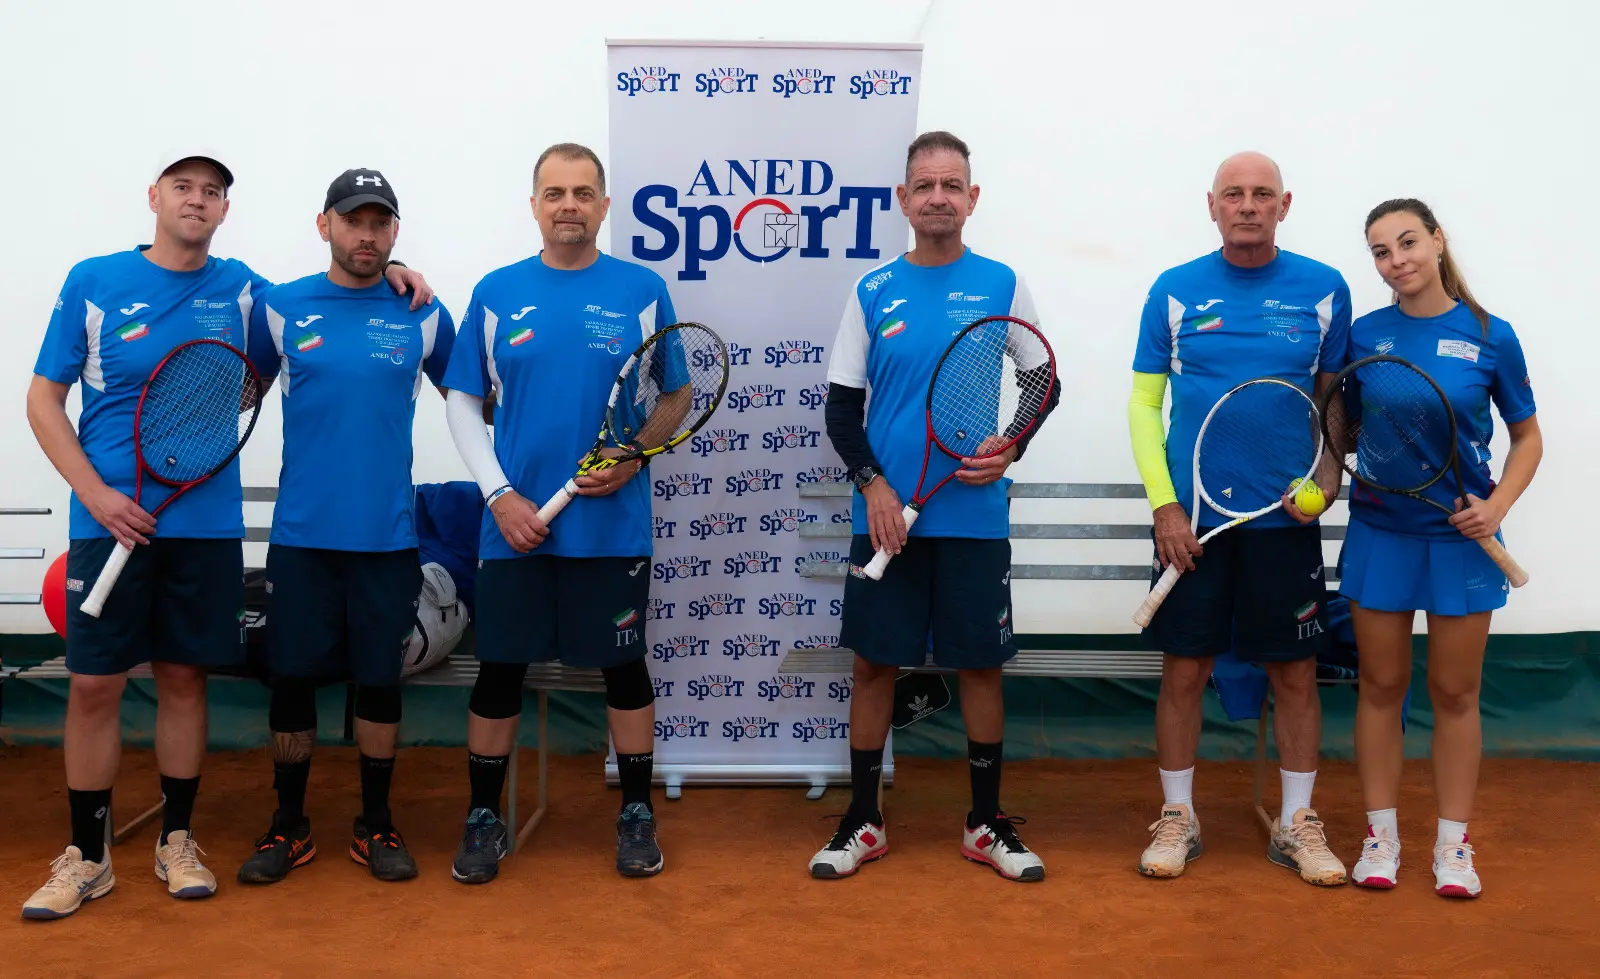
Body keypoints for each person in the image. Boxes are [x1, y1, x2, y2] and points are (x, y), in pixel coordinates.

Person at [22, 152, 432, 919]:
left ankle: (177, 841)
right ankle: (86, 855)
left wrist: (398, 266)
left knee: (183, 681)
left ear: (224, 210)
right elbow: (43, 400)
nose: (197, 200)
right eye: (183, 187)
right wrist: (96, 494)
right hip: (107, 521)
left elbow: (338, 292)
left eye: (212, 191)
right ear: (153, 196)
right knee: (92, 686)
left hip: (203, 529)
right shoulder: (94, 280)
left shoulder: (245, 292)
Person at [810, 131, 1059, 882]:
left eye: (953, 184)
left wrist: (1011, 443)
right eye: (925, 185)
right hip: (884, 521)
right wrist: (873, 487)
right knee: (873, 666)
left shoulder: (1004, 283)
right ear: (904, 200)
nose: (939, 196)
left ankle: (985, 822)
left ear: (972, 198)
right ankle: (863, 820)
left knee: (982, 667)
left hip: (974, 520)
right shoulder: (872, 290)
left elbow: (1042, 381)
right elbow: (841, 410)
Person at [442, 142, 679, 883]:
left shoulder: (642, 290)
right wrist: (498, 495)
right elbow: (460, 401)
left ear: (605, 206)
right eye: (555, 193)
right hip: (514, 526)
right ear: (535, 204)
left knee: (624, 670)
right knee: (499, 671)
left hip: (612, 529)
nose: (569, 205)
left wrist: (635, 455)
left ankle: (636, 812)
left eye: (583, 192)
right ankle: (484, 816)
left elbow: (673, 395)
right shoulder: (496, 292)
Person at [1127, 151, 1350, 886]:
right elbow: (1143, 404)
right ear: (1212, 205)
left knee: (1295, 672)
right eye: (1234, 194)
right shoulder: (1174, 291)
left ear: (1284, 205)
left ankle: (1296, 824)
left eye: (1261, 194)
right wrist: (1164, 504)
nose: (1247, 205)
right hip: (1191, 523)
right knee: (1184, 669)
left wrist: (1325, 482)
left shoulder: (1324, 290)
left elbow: (1333, 402)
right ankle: (1178, 817)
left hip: (1284, 524)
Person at [236, 169, 455, 885]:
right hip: (301, 541)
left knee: (378, 684)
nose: (367, 234)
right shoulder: (279, 307)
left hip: (388, 540)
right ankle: (289, 824)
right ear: (324, 223)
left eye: (380, 223)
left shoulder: (423, 314)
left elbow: (474, 401)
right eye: (354, 220)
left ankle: (376, 821)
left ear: (394, 232)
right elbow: (240, 389)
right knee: (291, 683)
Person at [1340, 199, 1541, 898]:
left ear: (1436, 240)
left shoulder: (1490, 336)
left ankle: (1454, 844)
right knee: (1382, 687)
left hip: (1462, 538)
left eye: (1406, 242)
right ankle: (1381, 837)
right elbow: (1340, 428)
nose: (1396, 260)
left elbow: (1527, 436)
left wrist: (1497, 506)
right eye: (1380, 251)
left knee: (1455, 692)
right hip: (1380, 532)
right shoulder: (1364, 335)